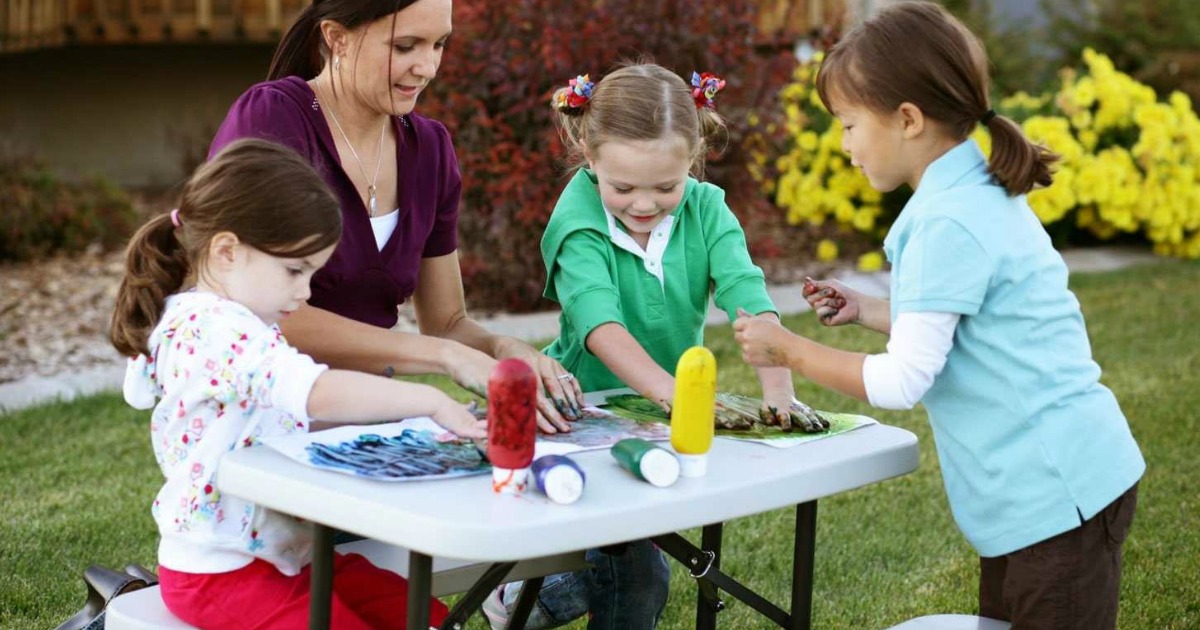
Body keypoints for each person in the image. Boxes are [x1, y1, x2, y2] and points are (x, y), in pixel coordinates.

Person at [732, 3, 1145, 628]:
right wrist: (870, 308)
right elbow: (968, 318)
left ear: (907, 119)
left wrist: (788, 349)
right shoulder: (969, 191)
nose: (842, 145)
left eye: (847, 125)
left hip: (1058, 494)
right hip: (1042, 491)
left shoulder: (946, 220)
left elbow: (902, 382)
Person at [481, 63, 810, 630]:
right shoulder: (577, 219)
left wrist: (778, 388)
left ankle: (517, 600)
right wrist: (671, 393)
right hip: (579, 409)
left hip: (659, 414)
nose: (643, 204)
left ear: (694, 157)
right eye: (623, 188)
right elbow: (598, 323)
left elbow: (745, 293)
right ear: (589, 155)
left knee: (632, 557)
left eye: (666, 187)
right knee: (638, 569)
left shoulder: (706, 208)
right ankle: (513, 598)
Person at [109, 138, 487, 629]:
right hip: (220, 572)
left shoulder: (241, 323)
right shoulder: (215, 331)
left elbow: (296, 413)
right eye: (294, 270)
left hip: (288, 561)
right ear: (226, 251)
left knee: (421, 614)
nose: (305, 292)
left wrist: (415, 425)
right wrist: (432, 400)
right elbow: (316, 391)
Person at [208, 0, 584, 433]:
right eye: (405, 46)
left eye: (439, 44)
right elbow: (264, 312)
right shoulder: (272, 119)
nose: (427, 67)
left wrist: (500, 347)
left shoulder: (431, 151)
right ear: (336, 38)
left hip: (366, 421)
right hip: (260, 421)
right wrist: (445, 357)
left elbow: (446, 323)